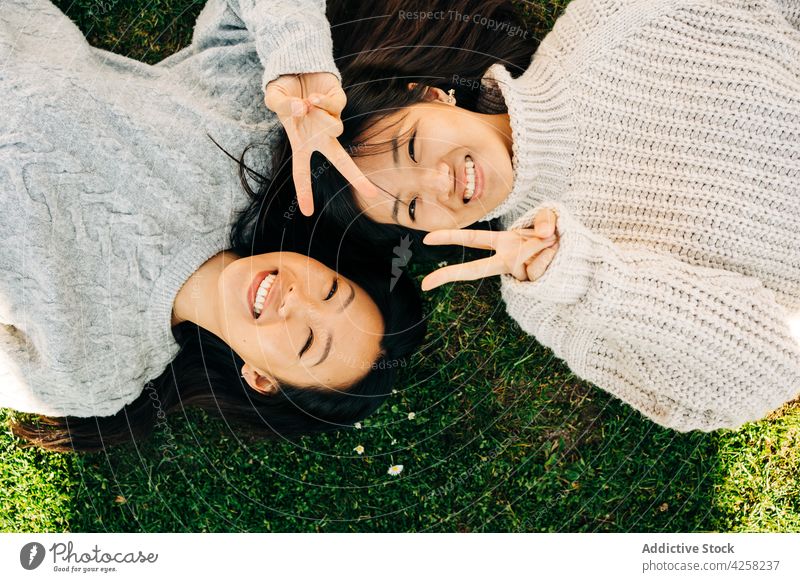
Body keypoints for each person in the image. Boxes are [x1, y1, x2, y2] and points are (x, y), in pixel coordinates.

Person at [306, 0, 800, 431]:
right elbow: (767, 374)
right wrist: (588, 277)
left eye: (411, 146)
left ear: (432, 94)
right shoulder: (547, 295)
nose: (440, 183)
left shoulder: (609, 24)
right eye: (410, 206)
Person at [0, 0, 425, 451]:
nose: (296, 298)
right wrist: (300, 65)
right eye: (330, 291)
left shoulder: (93, 375)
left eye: (304, 341)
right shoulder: (256, 150)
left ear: (260, 378)